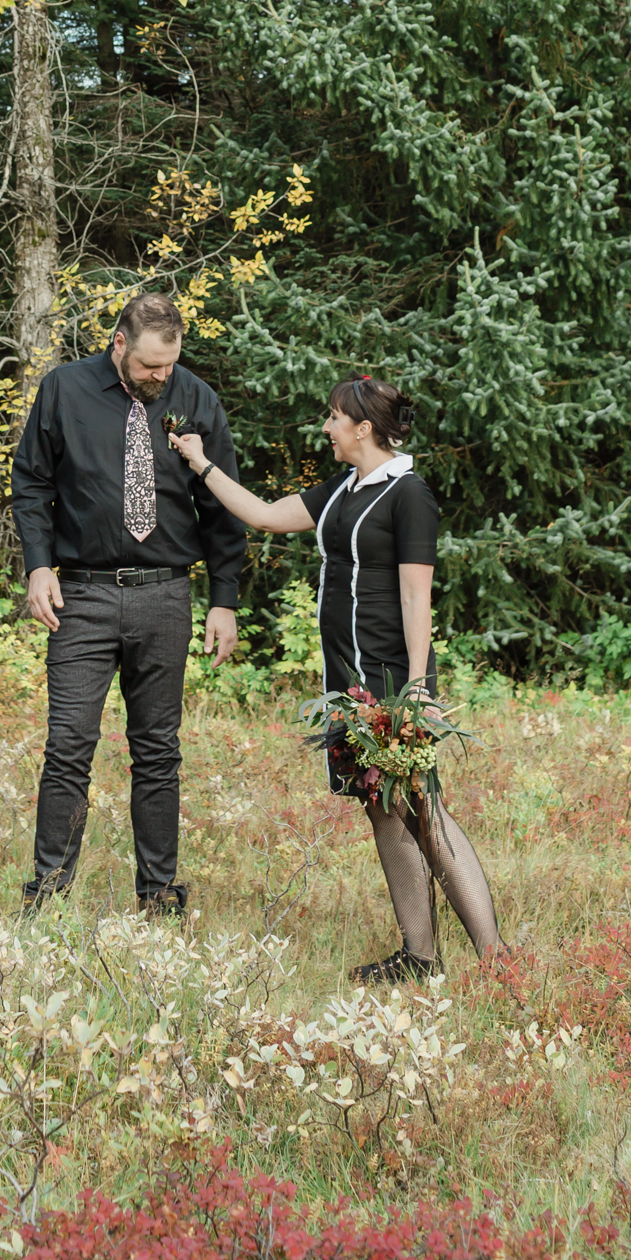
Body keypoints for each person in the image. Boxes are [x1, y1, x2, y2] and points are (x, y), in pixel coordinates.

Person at [169, 375, 503, 982]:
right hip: (348, 680)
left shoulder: (408, 494)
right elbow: (265, 516)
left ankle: (500, 963)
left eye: (332, 419)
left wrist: (419, 689)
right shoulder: (345, 489)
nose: (326, 428)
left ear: (362, 429)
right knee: (382, 806)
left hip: (394, 680)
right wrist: (200, 464)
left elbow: (414, 596)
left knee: (423, 809)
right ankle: (420, 959)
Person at [10, 291, 245, 915]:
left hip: (166, 595)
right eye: (148, 367)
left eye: (168, 366)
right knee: (67, 747)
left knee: (158, 750)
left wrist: (224, 599)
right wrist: (38, 566)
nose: (159, 378)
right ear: (119, 345)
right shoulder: (63, 389)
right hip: (81, 595)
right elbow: (31, 482)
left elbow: (222, 503)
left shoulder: (195, 398)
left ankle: (160, 895)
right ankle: (49, 896)